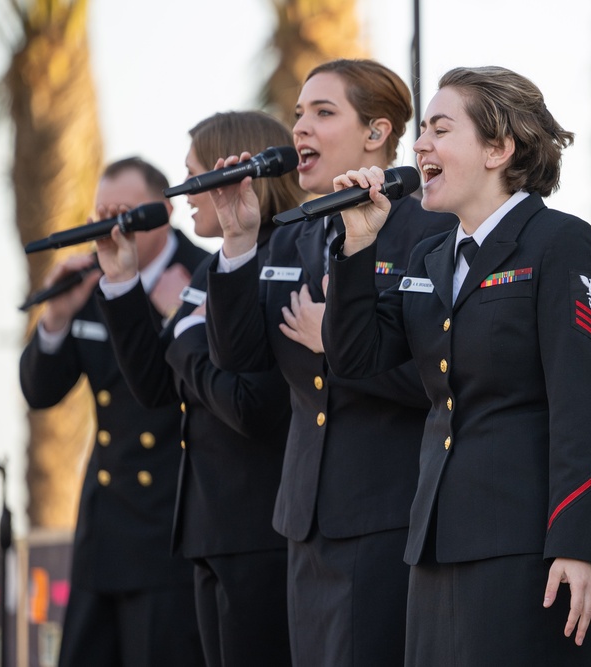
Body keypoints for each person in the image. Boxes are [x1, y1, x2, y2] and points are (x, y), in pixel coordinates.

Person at [322, 66, 591, 666]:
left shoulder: (560, 244)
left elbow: (580, 404)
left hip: (528, 546)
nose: (419, 146)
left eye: (440, 129)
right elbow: (356, 358)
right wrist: (357, 246)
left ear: (498, 148)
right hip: (436, 543)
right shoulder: (432, 254)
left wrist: (577, 545)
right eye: (422, 131)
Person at [204, 60, 457, 666]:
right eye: (297, 114)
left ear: (376, 133)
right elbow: (239, 359)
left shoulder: (429, 230)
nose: (300, 129)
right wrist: (238, 243)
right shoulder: (293, 235)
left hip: (386, 514)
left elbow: (441, 379)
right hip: (304, 519)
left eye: (323, 113)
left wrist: (337, 344)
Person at [91, 111, 303, 667]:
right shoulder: (212, 270)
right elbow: (155, 388)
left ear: (236, 177)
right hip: (208, 529)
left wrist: (183, 342)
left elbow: (250, 404)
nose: (183, 195)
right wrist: (120, 283)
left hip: (262, 528)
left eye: (193, 178)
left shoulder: (285, 257)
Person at [19, 157, 208, 667]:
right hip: (104, 528)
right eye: (102, 212)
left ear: (163, 211)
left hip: (168, 527)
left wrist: (180, 314)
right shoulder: (89, 282)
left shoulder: (202, 274)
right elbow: (40, 391)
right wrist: (56, 317)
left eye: (124, 211)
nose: (112, 224)